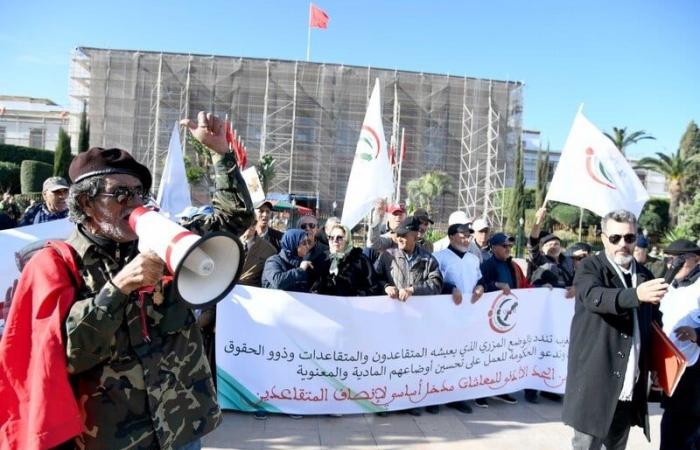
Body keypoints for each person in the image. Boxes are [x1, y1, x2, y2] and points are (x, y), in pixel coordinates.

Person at [0, 111, 254, 450]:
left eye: (138, 193)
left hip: (182, 423)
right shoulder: (57, 264)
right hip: (114, 437)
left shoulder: (165, 241)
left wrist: (220, 154)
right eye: (120, 194)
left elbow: (235, 219)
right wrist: (118, 288)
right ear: (87, 202)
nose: (134, 203)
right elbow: (64, 354)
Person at [563, 209, 667, 450]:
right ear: (603, 238)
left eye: (629, 238)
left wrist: (659, 366)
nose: (623, 244)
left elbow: (654, 323)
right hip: (595, 383)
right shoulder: (590, 267)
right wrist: (635, 295)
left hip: (629, 383)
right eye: (615, 238)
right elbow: (594, 297)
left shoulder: (644, 274)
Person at [374, 216, 443, 416]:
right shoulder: (387, 256)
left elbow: (437, 284)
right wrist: (386, 286)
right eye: (398, 235)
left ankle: (410, 401)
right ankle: (384, 401)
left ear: (415, 236)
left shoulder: (428, 259)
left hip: (417, 321)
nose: (401, 239)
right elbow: (375, 278)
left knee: (413, 363)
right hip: (391, 319)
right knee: (388, 361)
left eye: (405, 235)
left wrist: (413, 289)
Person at [431, 221, 484, 415]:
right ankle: (434, 396)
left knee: (461, 358)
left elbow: (479, 279)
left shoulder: (473, 259)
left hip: (467, 316)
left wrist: (481, 287)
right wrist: (450, 288)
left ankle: (456, 396)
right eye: (462, 234)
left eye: (468, 235)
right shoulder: (439, 257)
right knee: (441, 357)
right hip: (445, 316)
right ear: (451, 236)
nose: (466, 238)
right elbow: (435, 281)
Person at [475, 232, 525, 408]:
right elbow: (480, 286)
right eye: (504, 246)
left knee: (503, 355)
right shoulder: (486, 265)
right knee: (487, 356)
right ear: (494, 247)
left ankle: (501, 389)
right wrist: (495, 286)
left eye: (509, 246)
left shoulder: (512, 266)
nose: (508, 249)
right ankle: (480, 392)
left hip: (508, 317)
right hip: (490, 319)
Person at [311, 224, 381, 296]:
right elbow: (312, 285)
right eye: (331, 237)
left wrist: (356, 295)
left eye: (339, 237)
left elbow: (373, 287)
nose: (335, 240)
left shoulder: (360, 260)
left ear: (347, 240)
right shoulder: (322, 258)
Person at [527, 206, 575, 293]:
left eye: (556, 244)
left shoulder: (569, 262)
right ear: (542, 249)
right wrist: (539, 220)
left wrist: (574, 287)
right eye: (550, 244)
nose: (554, 246)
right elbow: (532, 242)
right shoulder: (539, 260)